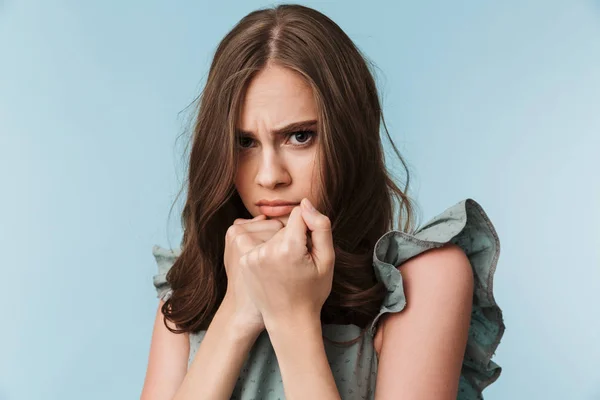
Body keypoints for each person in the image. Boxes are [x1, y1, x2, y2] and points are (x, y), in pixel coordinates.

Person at [141, 4, 505, 400]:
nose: (269, 176)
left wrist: (291, 317)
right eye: (245, 142)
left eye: (299, 136)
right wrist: (236, 312)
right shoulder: (191, 290)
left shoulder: (423, 280)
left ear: (349, 137)